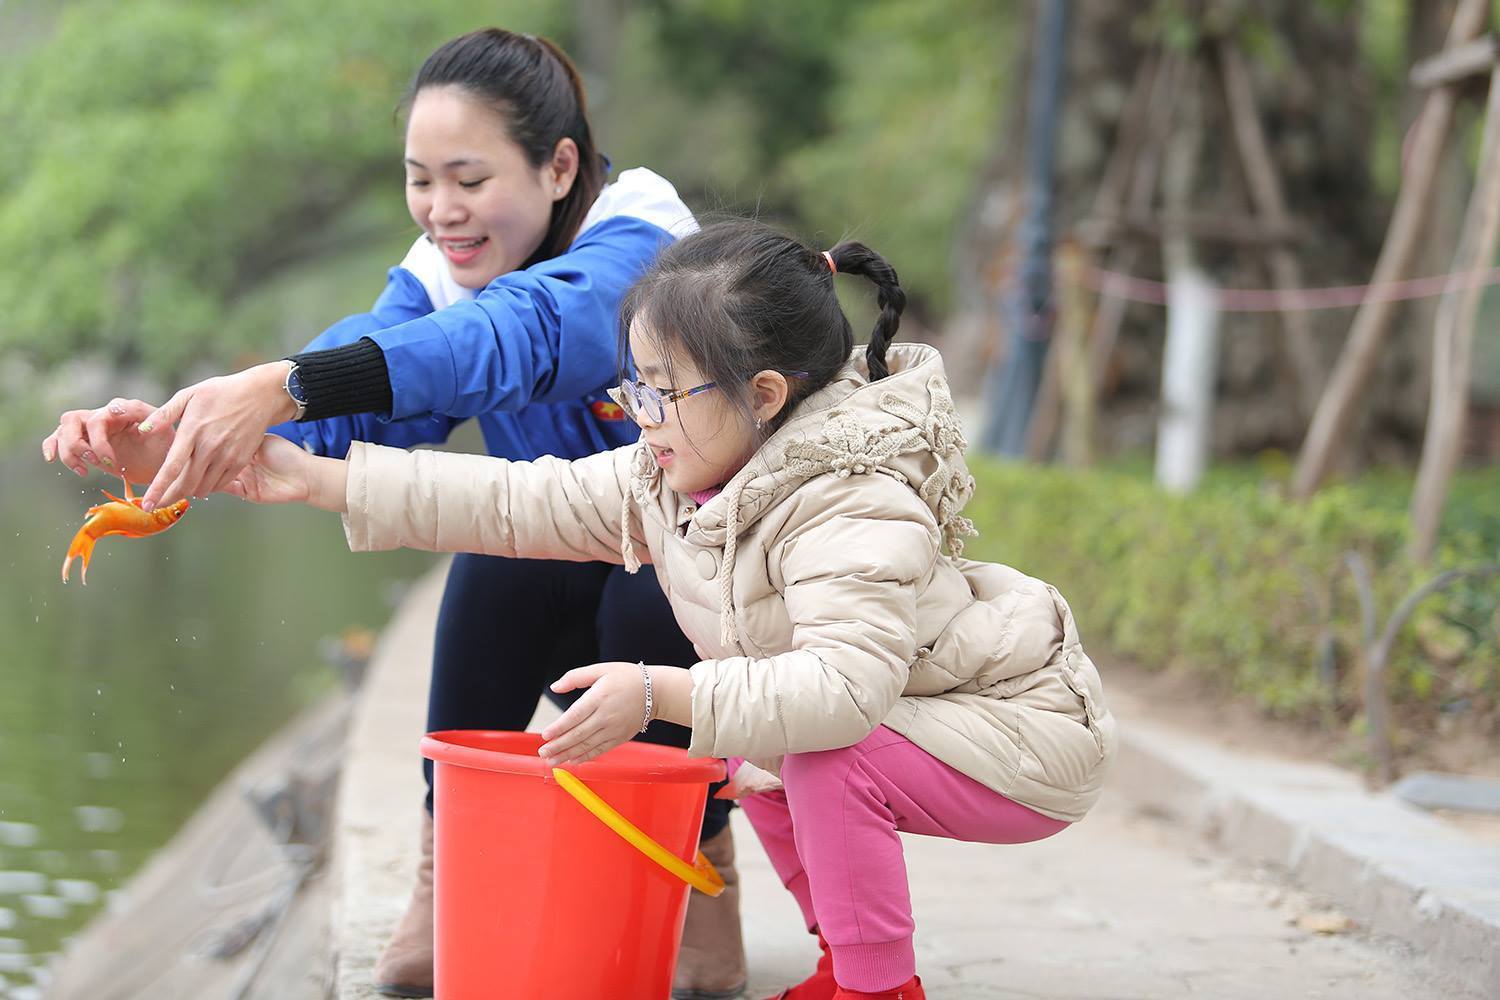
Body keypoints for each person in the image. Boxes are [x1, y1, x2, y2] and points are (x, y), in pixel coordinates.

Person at [216, 219, 1120, 999]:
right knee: (757, 754)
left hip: (1023, 737)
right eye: (633, 386)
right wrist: (314, 479)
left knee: (816, 751)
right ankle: (842, 962)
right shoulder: (674, 474)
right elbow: (510, 501)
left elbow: (843, 693)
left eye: (662, 390)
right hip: (921, 718)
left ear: (764, 395)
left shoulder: (851, 500)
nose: (637, 414)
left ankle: (878, 985)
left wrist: (659, 695)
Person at [40, 29, 748, 1000]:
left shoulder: (646, 249)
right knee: (495, 562)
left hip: (714, 598)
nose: (441, 209)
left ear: (559, 167)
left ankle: (700, 876)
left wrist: (287, 382)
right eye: (420, 180)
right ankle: (438, 873)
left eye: (469, 178)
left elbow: (523, 334)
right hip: (566, 574)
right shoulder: (442, 273)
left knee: (646, 592)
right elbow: (368, 392)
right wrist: (183, 441)